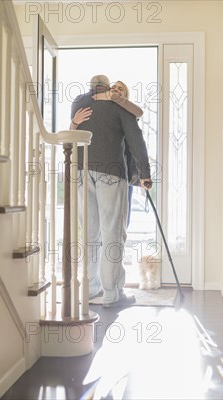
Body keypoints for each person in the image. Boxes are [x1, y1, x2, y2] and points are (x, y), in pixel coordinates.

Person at [70, 75, 152, 308]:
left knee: (90, 235)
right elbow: (136, 141)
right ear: (107, 88)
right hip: (111, 172)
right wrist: (145, 173)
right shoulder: (119, 106)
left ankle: (89, 290)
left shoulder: (78, 102)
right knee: (112, 235)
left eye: (120, 89)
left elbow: (74, 132)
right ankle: (112, 295)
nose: (116, 91)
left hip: (81, 171)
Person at [72, 80, 144, 227]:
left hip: (124, 172)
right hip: (104, 169)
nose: (116, 90)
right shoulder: (101, 110)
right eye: (114, 87)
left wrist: (143, 173)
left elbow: (139, 113)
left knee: (121, 220)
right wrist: (74, 122)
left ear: (125, 95)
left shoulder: (127, 111)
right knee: (99, 221)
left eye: (121, 89)